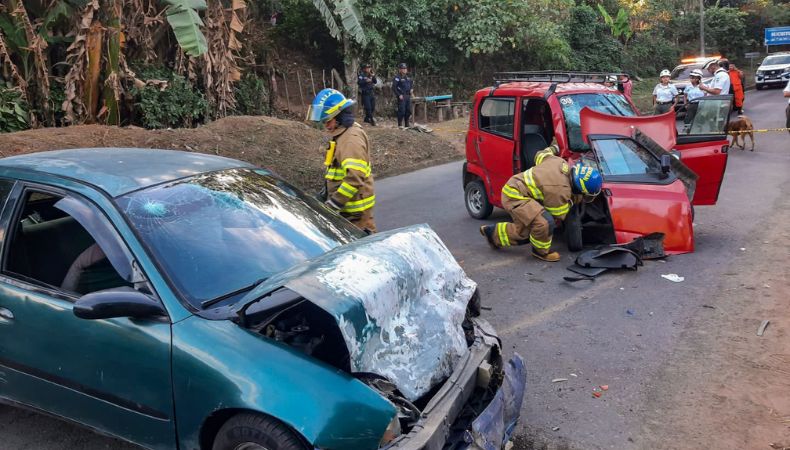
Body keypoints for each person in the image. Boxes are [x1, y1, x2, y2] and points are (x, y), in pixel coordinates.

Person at [479, 147, 603, 262]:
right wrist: (573, 200)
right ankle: (540, 252)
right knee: (544, 222)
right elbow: (558, 214)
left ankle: (492, 233)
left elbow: (540, 155)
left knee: (524, 233)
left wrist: (554, 148)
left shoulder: (560, 163)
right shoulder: (560, 190)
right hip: (515, 196)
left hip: (515, 188)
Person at [307, 88, 376, 232]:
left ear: (339, 117)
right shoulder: (342, 135)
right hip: (349, 212)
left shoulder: (350, 140)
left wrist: (333, 204)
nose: (325, 126)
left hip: (355, 215)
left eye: (328, 121)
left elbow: (355, 178)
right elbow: (337, 171)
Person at [392, 62, 414, 129]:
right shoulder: (397, 78)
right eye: (403, 68)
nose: (404, 70)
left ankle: (407, 124)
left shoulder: (408, 78)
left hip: (408, 96)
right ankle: (400, 124)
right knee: (402, 111)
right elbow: (394, 87)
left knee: (409, 111)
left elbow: (411, 85)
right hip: (401, 96)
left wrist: (411, 89)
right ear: (400, 70)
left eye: (405, 68)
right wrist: (399, 95)